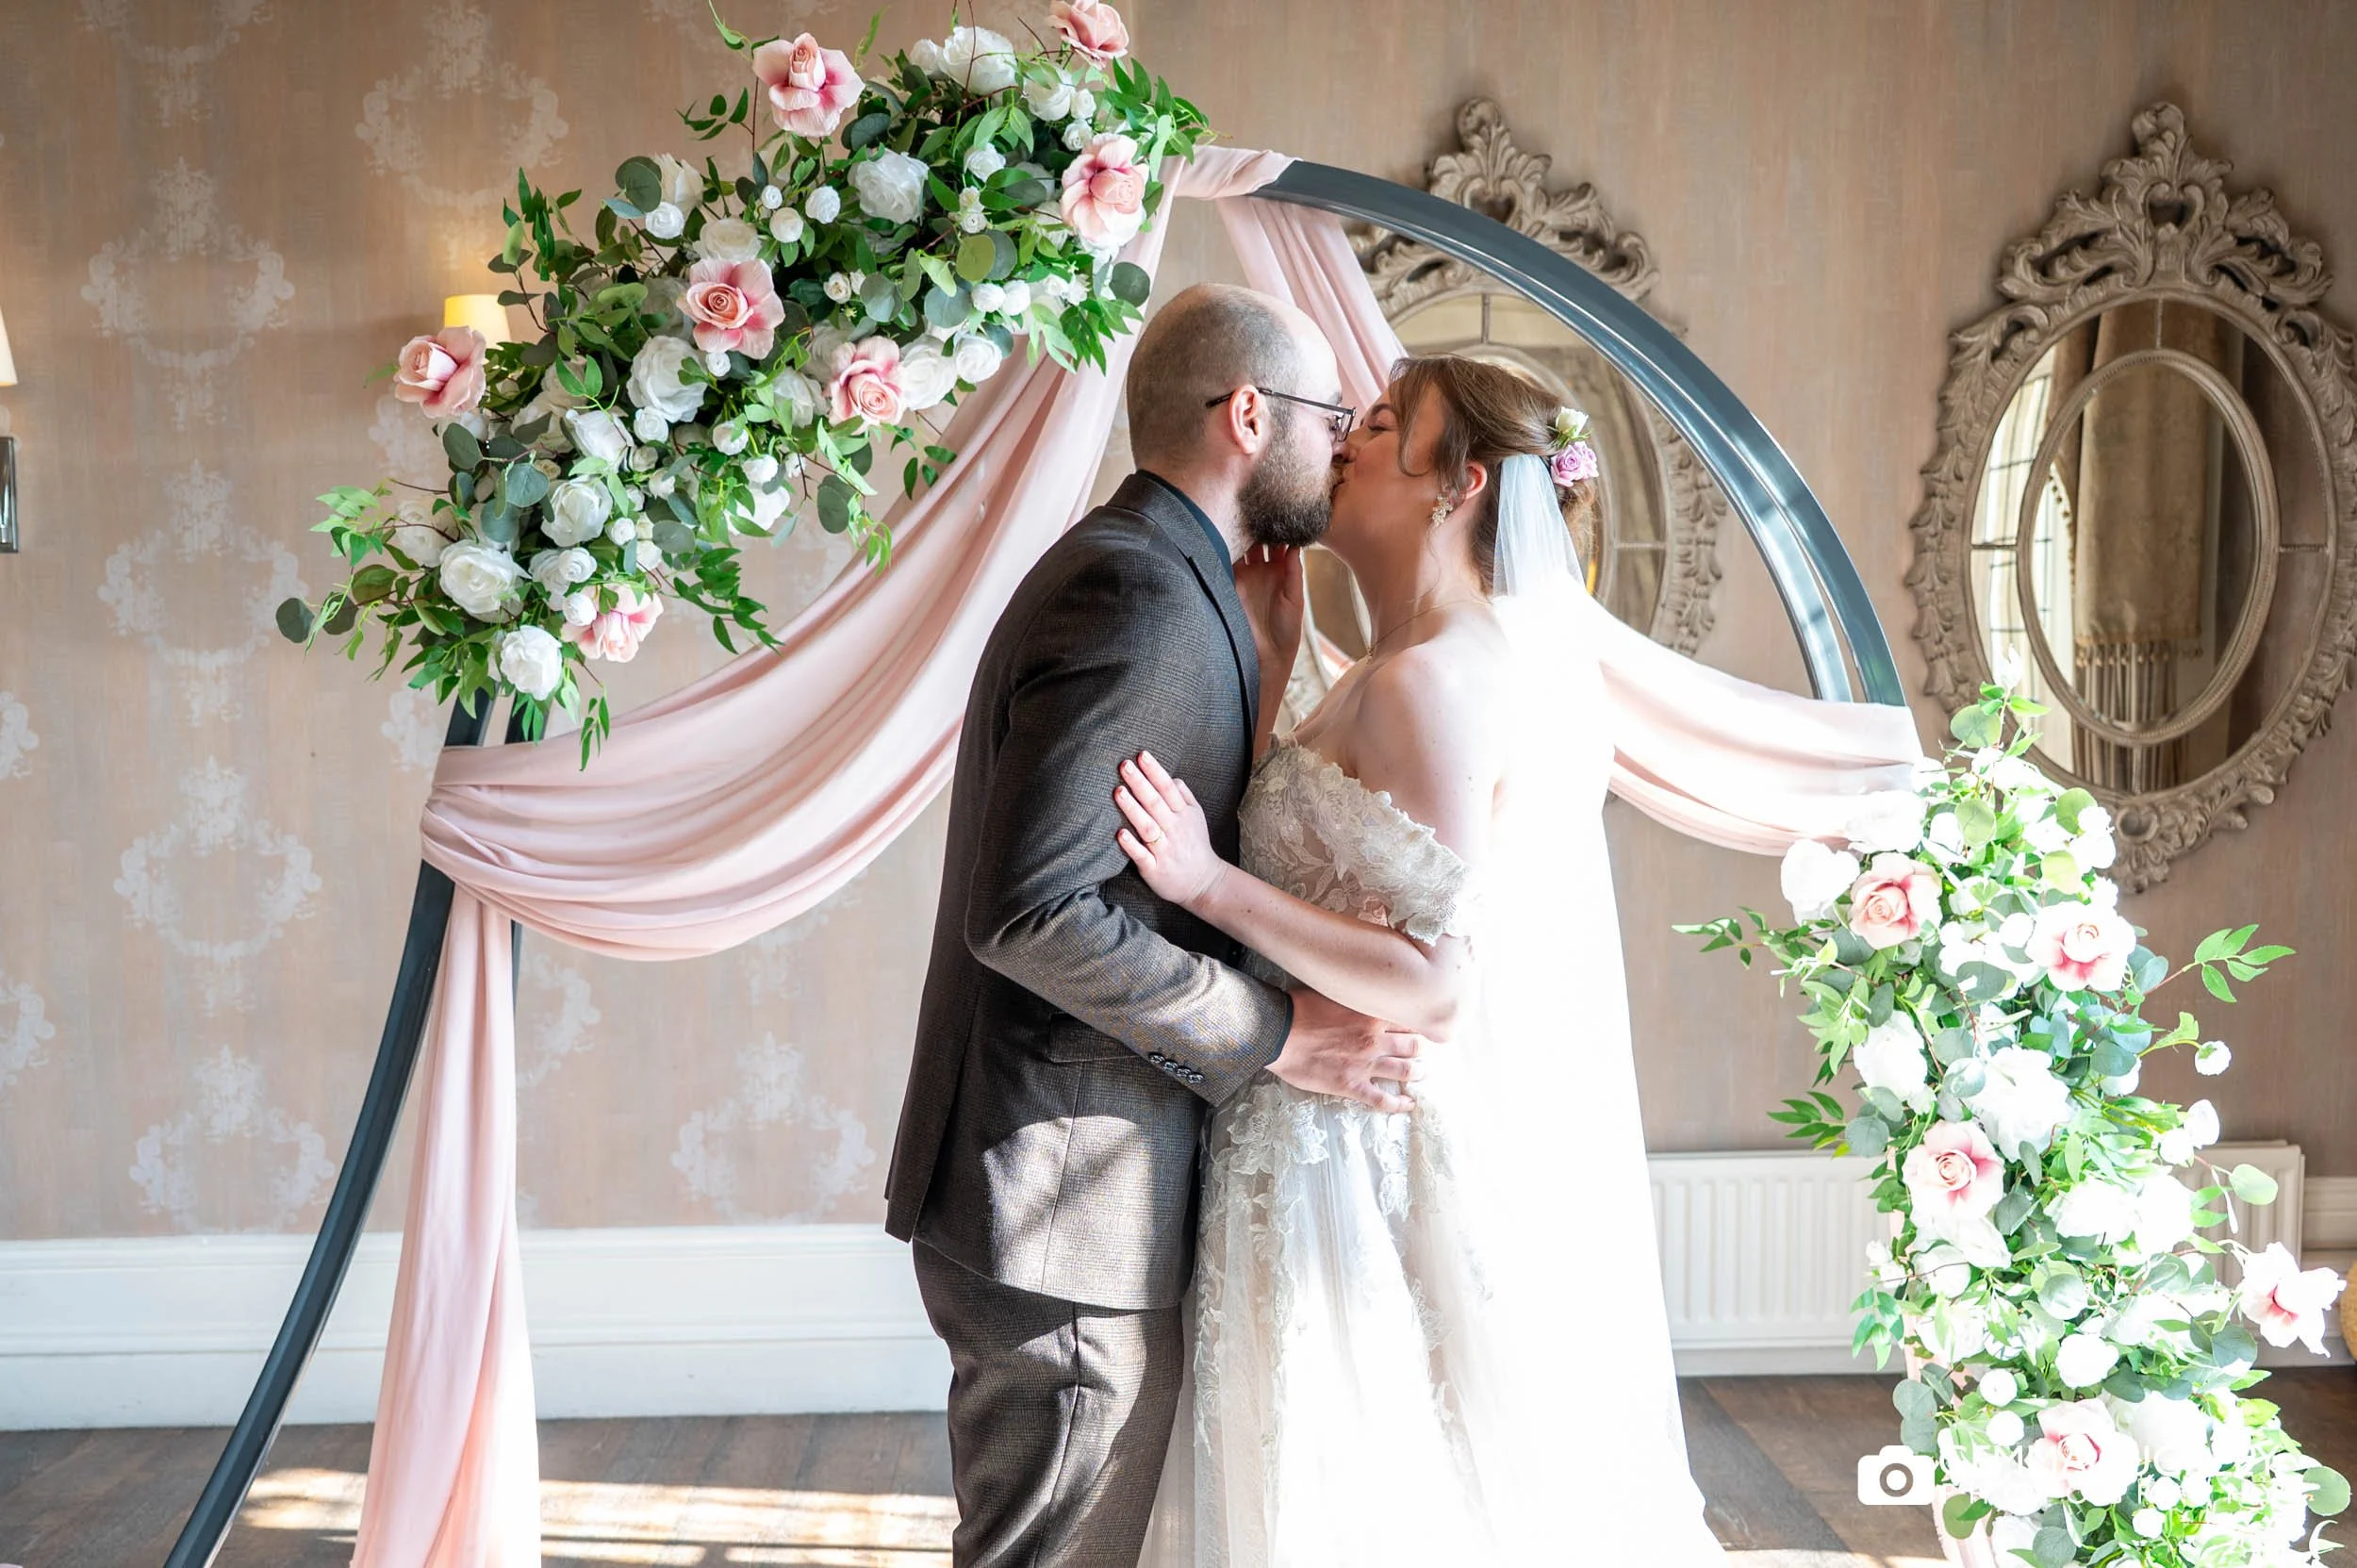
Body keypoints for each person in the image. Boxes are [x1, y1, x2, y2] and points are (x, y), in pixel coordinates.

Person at [1117, 354, 1922, 1565]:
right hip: (1301, 1124)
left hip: (1354, 1150)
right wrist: (1278, 662)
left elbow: (1436, 980)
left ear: (1459, 484)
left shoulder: (1441, 679)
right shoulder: (1398, 667)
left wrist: (1203, 883)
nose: (1342, 442)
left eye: (1383, 426)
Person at [881, 283, 1427, 1568]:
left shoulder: (1167, 581)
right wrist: (1277, 1036)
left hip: (1068, 1192)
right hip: (1064, 1207)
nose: (1336, 444)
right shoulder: (1137, 593)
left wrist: (1269, 675)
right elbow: (1035, 911)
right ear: (1249, 414)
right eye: (1324, 417)